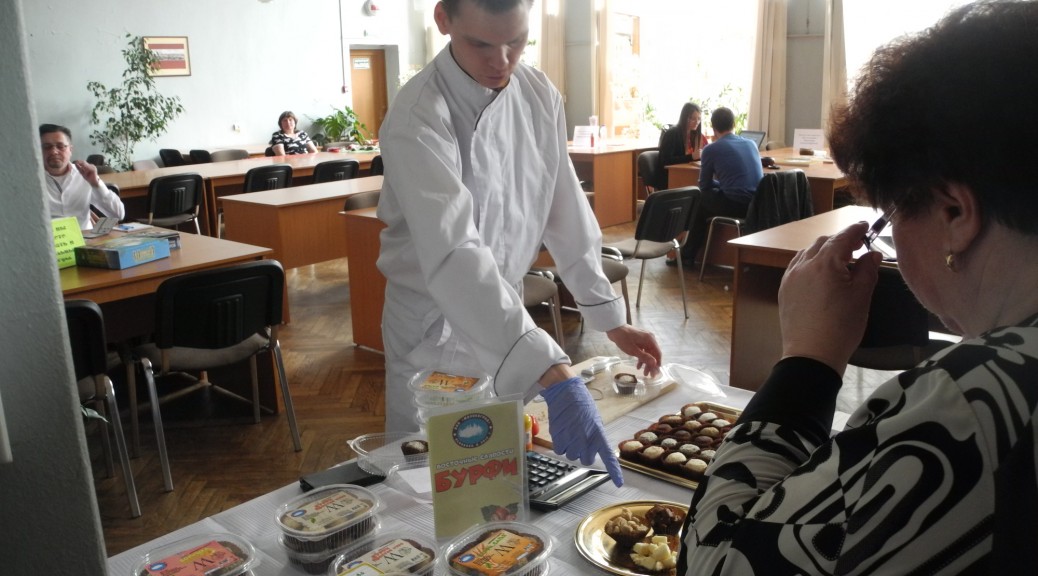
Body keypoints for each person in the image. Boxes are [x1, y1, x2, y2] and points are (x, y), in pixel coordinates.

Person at [678, 2, 1038, 573]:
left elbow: (715, 561)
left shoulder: (970, 406)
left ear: (954, 212)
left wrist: (807, 361)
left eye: (890, 215)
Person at [376, 0, 662, 486]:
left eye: (516, 41)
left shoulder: (537, 92)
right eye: (481, 44)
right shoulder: (417, 114)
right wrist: (551, 370)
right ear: (443, 20)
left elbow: (565, 206)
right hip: (432, 329)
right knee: (426, 483)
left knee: (498, 474)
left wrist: (609, 316)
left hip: (506, 314)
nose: (501, 61)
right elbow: (454, 252)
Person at [678, 107, 762, 266]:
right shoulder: (751, 144)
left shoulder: (711, 149)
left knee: (697, 199)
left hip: (736, 204)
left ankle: (687, 256)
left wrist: (720, 184)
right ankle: (690, 255)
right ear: (734, 124)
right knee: (707, 197)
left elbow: (704, 185)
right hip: (757, 205)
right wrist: (723, 184)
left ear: (713, 127)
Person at [39, 123, 124, 230]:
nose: (54, 151)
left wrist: (95, 183)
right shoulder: (30, 180)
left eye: (60, 146)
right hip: (47, 239)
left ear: (70, 150)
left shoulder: (84, 174)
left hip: (85, 238)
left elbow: (118, 214)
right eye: (47, 147)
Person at [658, 102, 709, 179]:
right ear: (685, 118)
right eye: (693, 119)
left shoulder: (696, 135)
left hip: (688, 173)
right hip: (671, 176)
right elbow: (666, 160)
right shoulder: (672, 133)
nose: (697, 122)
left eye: (699, 119)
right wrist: (691, 157)